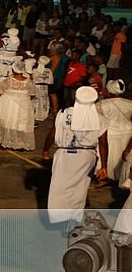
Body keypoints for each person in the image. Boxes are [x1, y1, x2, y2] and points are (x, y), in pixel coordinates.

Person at [43, 86, 108, 224]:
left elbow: (52, 135)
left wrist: (46, 149)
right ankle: (75, 216)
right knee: (79, 187)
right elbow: (103, 143)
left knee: (59, 187)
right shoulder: (99, 117)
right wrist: (104, 166)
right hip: (86, 156)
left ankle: (60, 217)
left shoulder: (64, 114)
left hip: (65, 154)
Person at [0, 61, 36, 151]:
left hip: (8, 105)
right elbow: (33, 94)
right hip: (24, 104)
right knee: (21, 123)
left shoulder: (7, 81)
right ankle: (19, 142)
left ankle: (6, 140)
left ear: (13, 69)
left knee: (8, 122)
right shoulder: (29, 82)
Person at [97, 80, 132, 181]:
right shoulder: (130, 103)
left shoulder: (101, 104)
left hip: (110, 135)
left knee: (110, 160)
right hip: (127, 135)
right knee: (122, 159)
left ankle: (106, 175)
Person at [32, 56, 53, 121]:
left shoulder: (35, 70)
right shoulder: (49, 71)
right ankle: (43, 115)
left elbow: (33, 79)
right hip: (45, 87)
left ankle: (36, 115)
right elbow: (51, 81)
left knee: (36, 101)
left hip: (36, 87)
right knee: (43, 101)